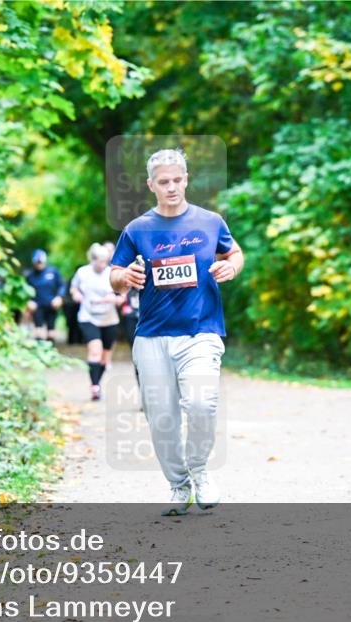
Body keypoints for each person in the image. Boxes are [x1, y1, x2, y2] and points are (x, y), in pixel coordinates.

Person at [111, 148, 244, 515]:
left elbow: (234, 254)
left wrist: (231, 268)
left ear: (186, 179)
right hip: (152, 335)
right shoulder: (137, 229)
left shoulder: (210, 221)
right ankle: (177, 484)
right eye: (163, 182)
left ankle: (200, 472)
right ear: (151, 185)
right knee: (162, 418)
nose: (171, 187)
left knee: (202, 403)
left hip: (201, 331)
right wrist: (125, 277)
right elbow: (114, 276)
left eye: (177, 180)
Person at [72, 243, 123, 401]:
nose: (102, 265)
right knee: (95, 350)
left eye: (105, 261)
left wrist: (114, 298)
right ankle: (94, 387)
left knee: (104, 357)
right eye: (100, 261)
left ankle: (97, 383)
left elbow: (122, 298)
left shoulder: (112, 274)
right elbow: (73, 289)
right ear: (92, 260)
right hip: (88, 317)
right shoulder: (82, 273)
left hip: (109, 319)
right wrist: (77, 296)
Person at [24, 249, 66, 342]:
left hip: (51, 305)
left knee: (51, 332)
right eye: (37, 262)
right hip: (37, 305)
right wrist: (28, 301)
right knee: (38, 331)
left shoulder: (53, 272)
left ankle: (51, 351)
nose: (39, 264)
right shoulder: (30, 274)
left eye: (41, 262)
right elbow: (24, 290)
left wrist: (59, 297)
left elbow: (62, 286)